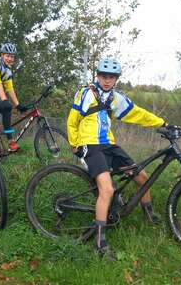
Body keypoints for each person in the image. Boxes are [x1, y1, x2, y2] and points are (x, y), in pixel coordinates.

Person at [67, 58, 167, 256]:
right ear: (97, 76)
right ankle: (99, 243)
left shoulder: (116, 98)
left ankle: (150, 216)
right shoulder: (86, 93)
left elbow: (138, 114)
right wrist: (75, 145)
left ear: (116, 80)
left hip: (109, 145)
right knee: (107, 189)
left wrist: (162, 124)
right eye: (103, 76)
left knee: (142, 177)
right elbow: (72, 120)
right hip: (90, 145)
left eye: (111, 77)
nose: (106, 81)